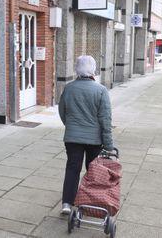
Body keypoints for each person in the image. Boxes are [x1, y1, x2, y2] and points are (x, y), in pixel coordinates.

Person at [58, 55, 114, 215]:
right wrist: (109, 145)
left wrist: (71, 127)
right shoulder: (101, 90)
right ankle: (89, 202)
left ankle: (67, 204)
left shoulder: (69, 88)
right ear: (93, 70)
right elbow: (105, 119)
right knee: (92, 170)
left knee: (72, 168)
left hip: (72, 138)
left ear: (77, 69)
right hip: (94, 140)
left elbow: (62, 111)